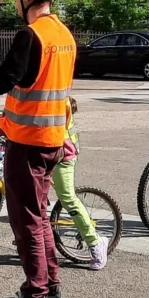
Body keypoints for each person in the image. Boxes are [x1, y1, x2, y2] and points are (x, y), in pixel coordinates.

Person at [0, 0, 76, 298]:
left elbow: (1, 83)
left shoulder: (31, 34)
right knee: (39, 216)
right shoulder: (65, 35)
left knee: (25, 221)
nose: (14, 1)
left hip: (27, 142)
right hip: (53, 139)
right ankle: (51, 287)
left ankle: (35, 294)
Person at [51, 98, 107, 269]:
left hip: (63, 156)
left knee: (68, 198)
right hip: (44, 155)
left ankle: (95, 242)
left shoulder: (57, 99)